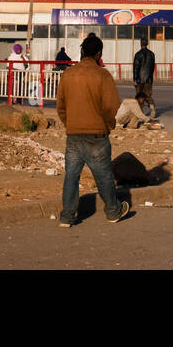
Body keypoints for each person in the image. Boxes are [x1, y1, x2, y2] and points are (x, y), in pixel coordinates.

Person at [56, 34, 129, 226]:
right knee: (103, 175)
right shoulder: (102, 75)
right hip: (97, 134)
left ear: (81, 52)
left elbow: (61, 106)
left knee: (71, 176)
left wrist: (70, 123)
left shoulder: (68, 74)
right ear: (99, 54)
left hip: (73, 134)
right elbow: (111, 107)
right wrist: (107, 125)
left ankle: (67, 215)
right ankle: (113, 211)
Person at [132, 37, 157, 119]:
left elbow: (136, 68)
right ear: (147, 44)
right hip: (148, 79)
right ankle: (152, 106)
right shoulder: (152, 54)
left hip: (140, 78)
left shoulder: (138, 54)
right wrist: (150, 76)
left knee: (139, 96)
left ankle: (140, 112)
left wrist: (135, 79)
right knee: (147, 95)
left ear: (140, 44)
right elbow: (153, 67)